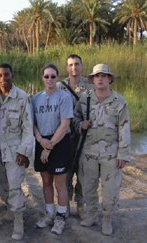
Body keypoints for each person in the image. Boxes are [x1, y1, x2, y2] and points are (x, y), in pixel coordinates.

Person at [73, 64, 130, 235]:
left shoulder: (119, 102)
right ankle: (91, 216)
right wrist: (80, 125)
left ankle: (107, 219)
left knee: (110, 189)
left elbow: (124, 128)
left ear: (109, 79)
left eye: (104, 76)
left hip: (110, 155)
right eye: (96, 76)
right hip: (88, 153)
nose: (100, 78)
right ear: (91, 79)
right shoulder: (85, 98)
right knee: (88, 187)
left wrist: (123, 154)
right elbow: (74, 118)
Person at [0, 63, 34, 240]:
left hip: (15, 152)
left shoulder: (22, 97)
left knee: (15, 186)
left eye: (6, 75)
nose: (3, 79)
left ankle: (18, 221)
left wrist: (24, 151)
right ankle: (9, 211)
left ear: (12, 75)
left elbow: (28, 128)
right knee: (1, 184)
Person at [32, 64, 73, 235]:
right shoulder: (35, 98)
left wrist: (49, 146)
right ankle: (49, 213)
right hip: (42, 141)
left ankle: (61, 216)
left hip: (59, 142)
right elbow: (32, 124)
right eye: (46, 76)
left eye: (53, 76)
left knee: (60, 184)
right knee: (46, 181)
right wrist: (41, 140)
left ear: (57, 77)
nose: (49, 79)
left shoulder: (64, 97)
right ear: (42, 78)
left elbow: (65, 125)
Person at [57, 54, 94, 219]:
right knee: (65, 173)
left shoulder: (91, 85)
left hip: (85, 137)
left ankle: (80, 204)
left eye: (77, 64)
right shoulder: (59, 86)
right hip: (65, 137)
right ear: (67, 67)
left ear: (82, 65)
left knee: (83, 173)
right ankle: (64, 205)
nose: (74, 67)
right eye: (70, 64)